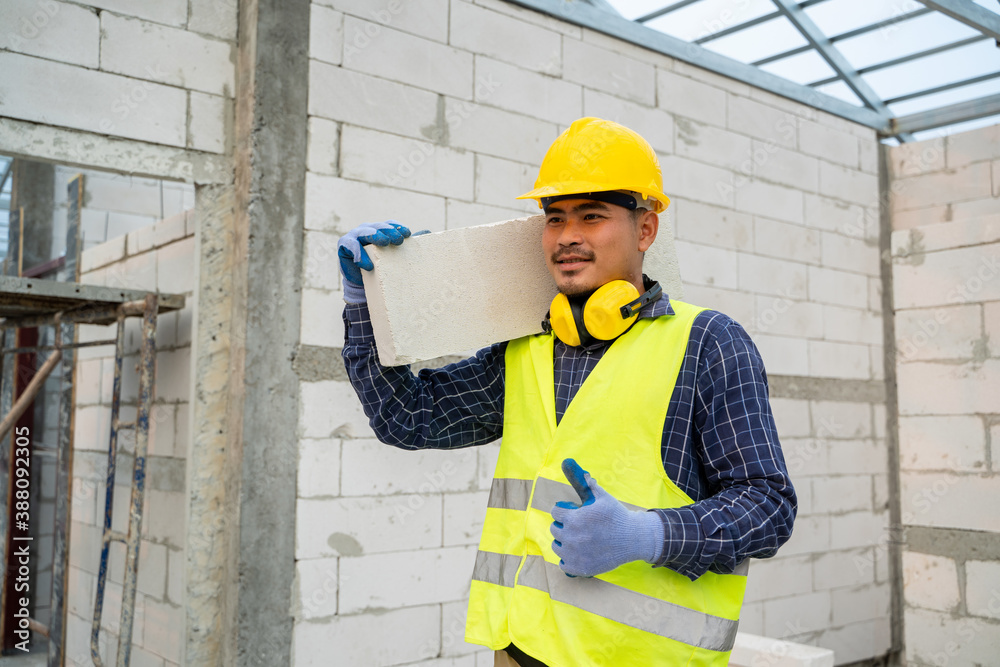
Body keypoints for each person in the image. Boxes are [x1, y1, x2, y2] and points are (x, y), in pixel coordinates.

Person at [338, 117, 796, 667]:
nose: (567, 236)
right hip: (519, 651)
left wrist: (649, 534)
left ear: (645, 230)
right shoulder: (529, 348)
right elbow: (405, 417)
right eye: (554, 219)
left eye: (592, 216)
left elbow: (769, 507)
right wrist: (365, 302)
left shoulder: (707, 343)